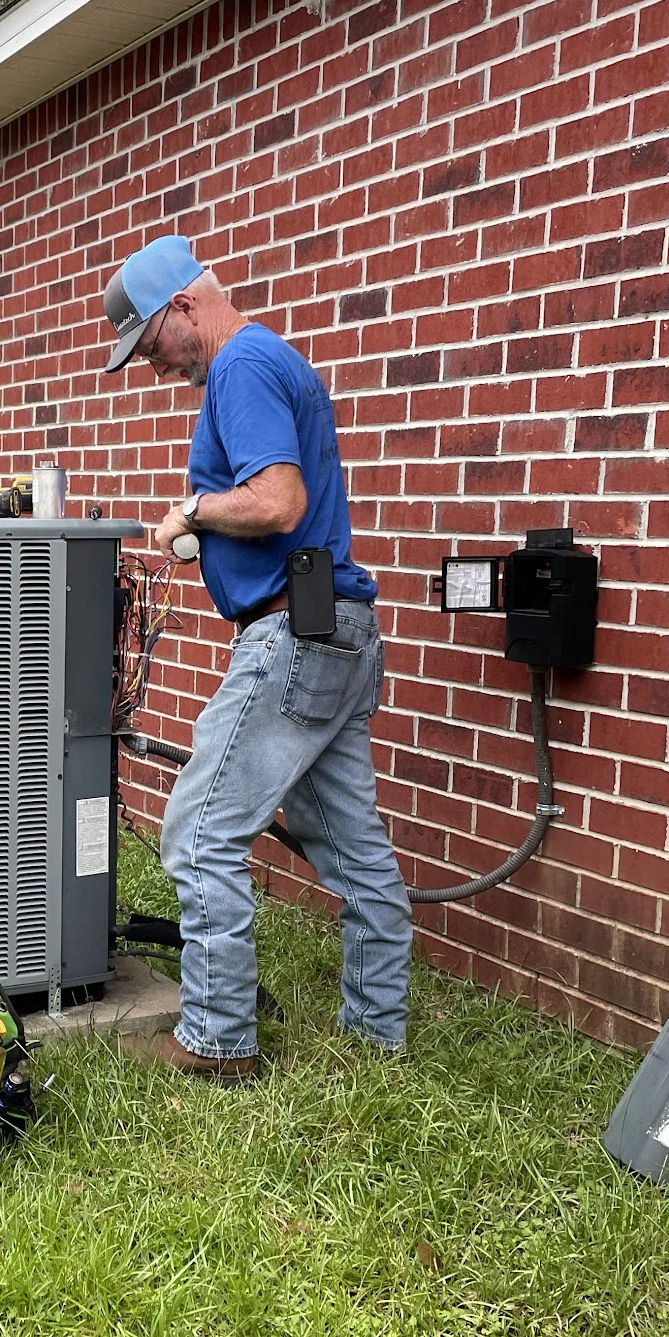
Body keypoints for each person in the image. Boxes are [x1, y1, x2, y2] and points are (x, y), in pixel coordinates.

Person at [102, 233, 411, 1082]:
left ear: (184, 307)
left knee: (199, 831)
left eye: (153, 346)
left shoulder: (240, 366)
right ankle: (376, 1033)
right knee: (353, 847)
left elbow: (278, 501)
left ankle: (218, 1040)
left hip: (293, 636)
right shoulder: (275, 361)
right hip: (337, 628)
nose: (157, 366)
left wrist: (193, 513)